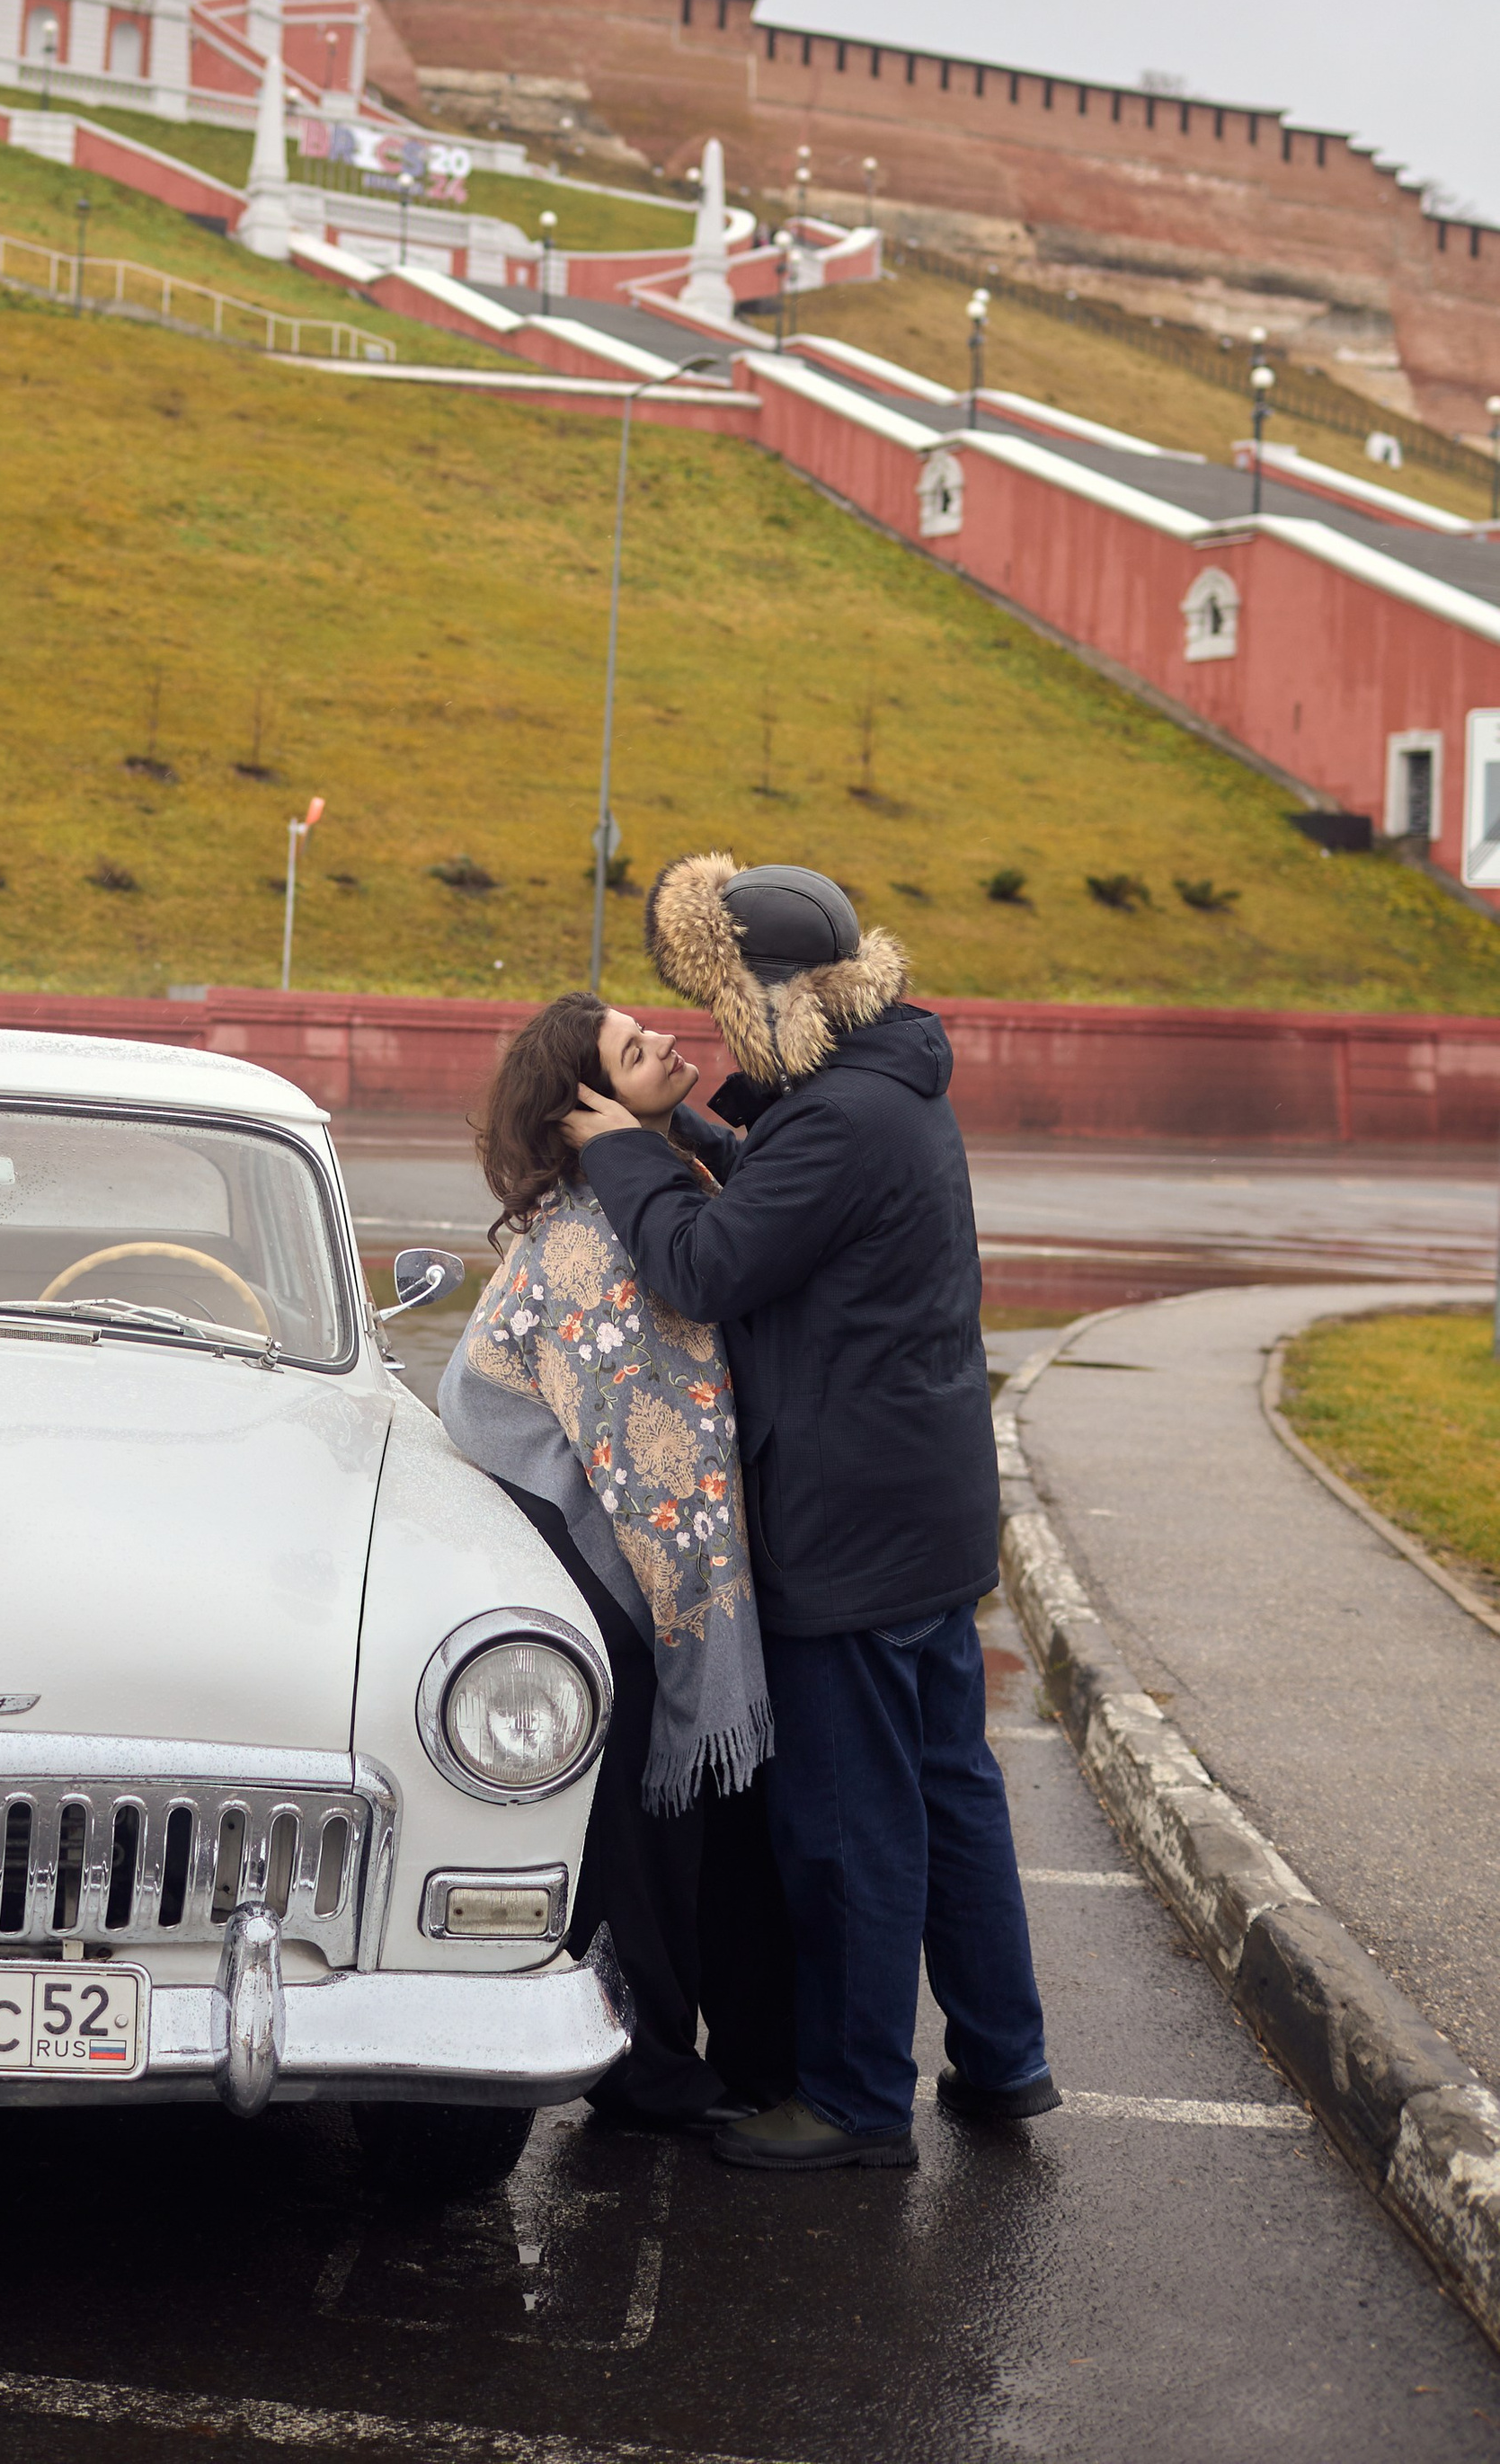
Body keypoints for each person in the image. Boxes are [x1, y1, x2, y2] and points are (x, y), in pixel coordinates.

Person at [567, 857, 1057, 2176]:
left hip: (847, 1529)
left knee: (849, 1826)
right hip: (923, 1514)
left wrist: (620, 1149)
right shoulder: (880, 1094)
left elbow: (706, 1264)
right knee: (953, 1792)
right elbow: (784, 1195)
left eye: (725, 1008)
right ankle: (1006, 2060)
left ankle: (851, 2103)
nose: (716, 1038)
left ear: (782, 999)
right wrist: (696, 1143)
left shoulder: (841, 1122)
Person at [439, 990, 795, 2132]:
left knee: (676, 1812)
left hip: (607, 1529)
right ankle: (644, 2071)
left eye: (653, 1032)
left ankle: (687, 2052)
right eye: (637, 1053)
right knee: (643, 1817)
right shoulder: (597, 1242)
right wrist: (700, 1631)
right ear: (587, 1108)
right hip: (585, 1544)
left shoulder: (655, 1179)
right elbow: (654, 1461)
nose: (669, 1045)